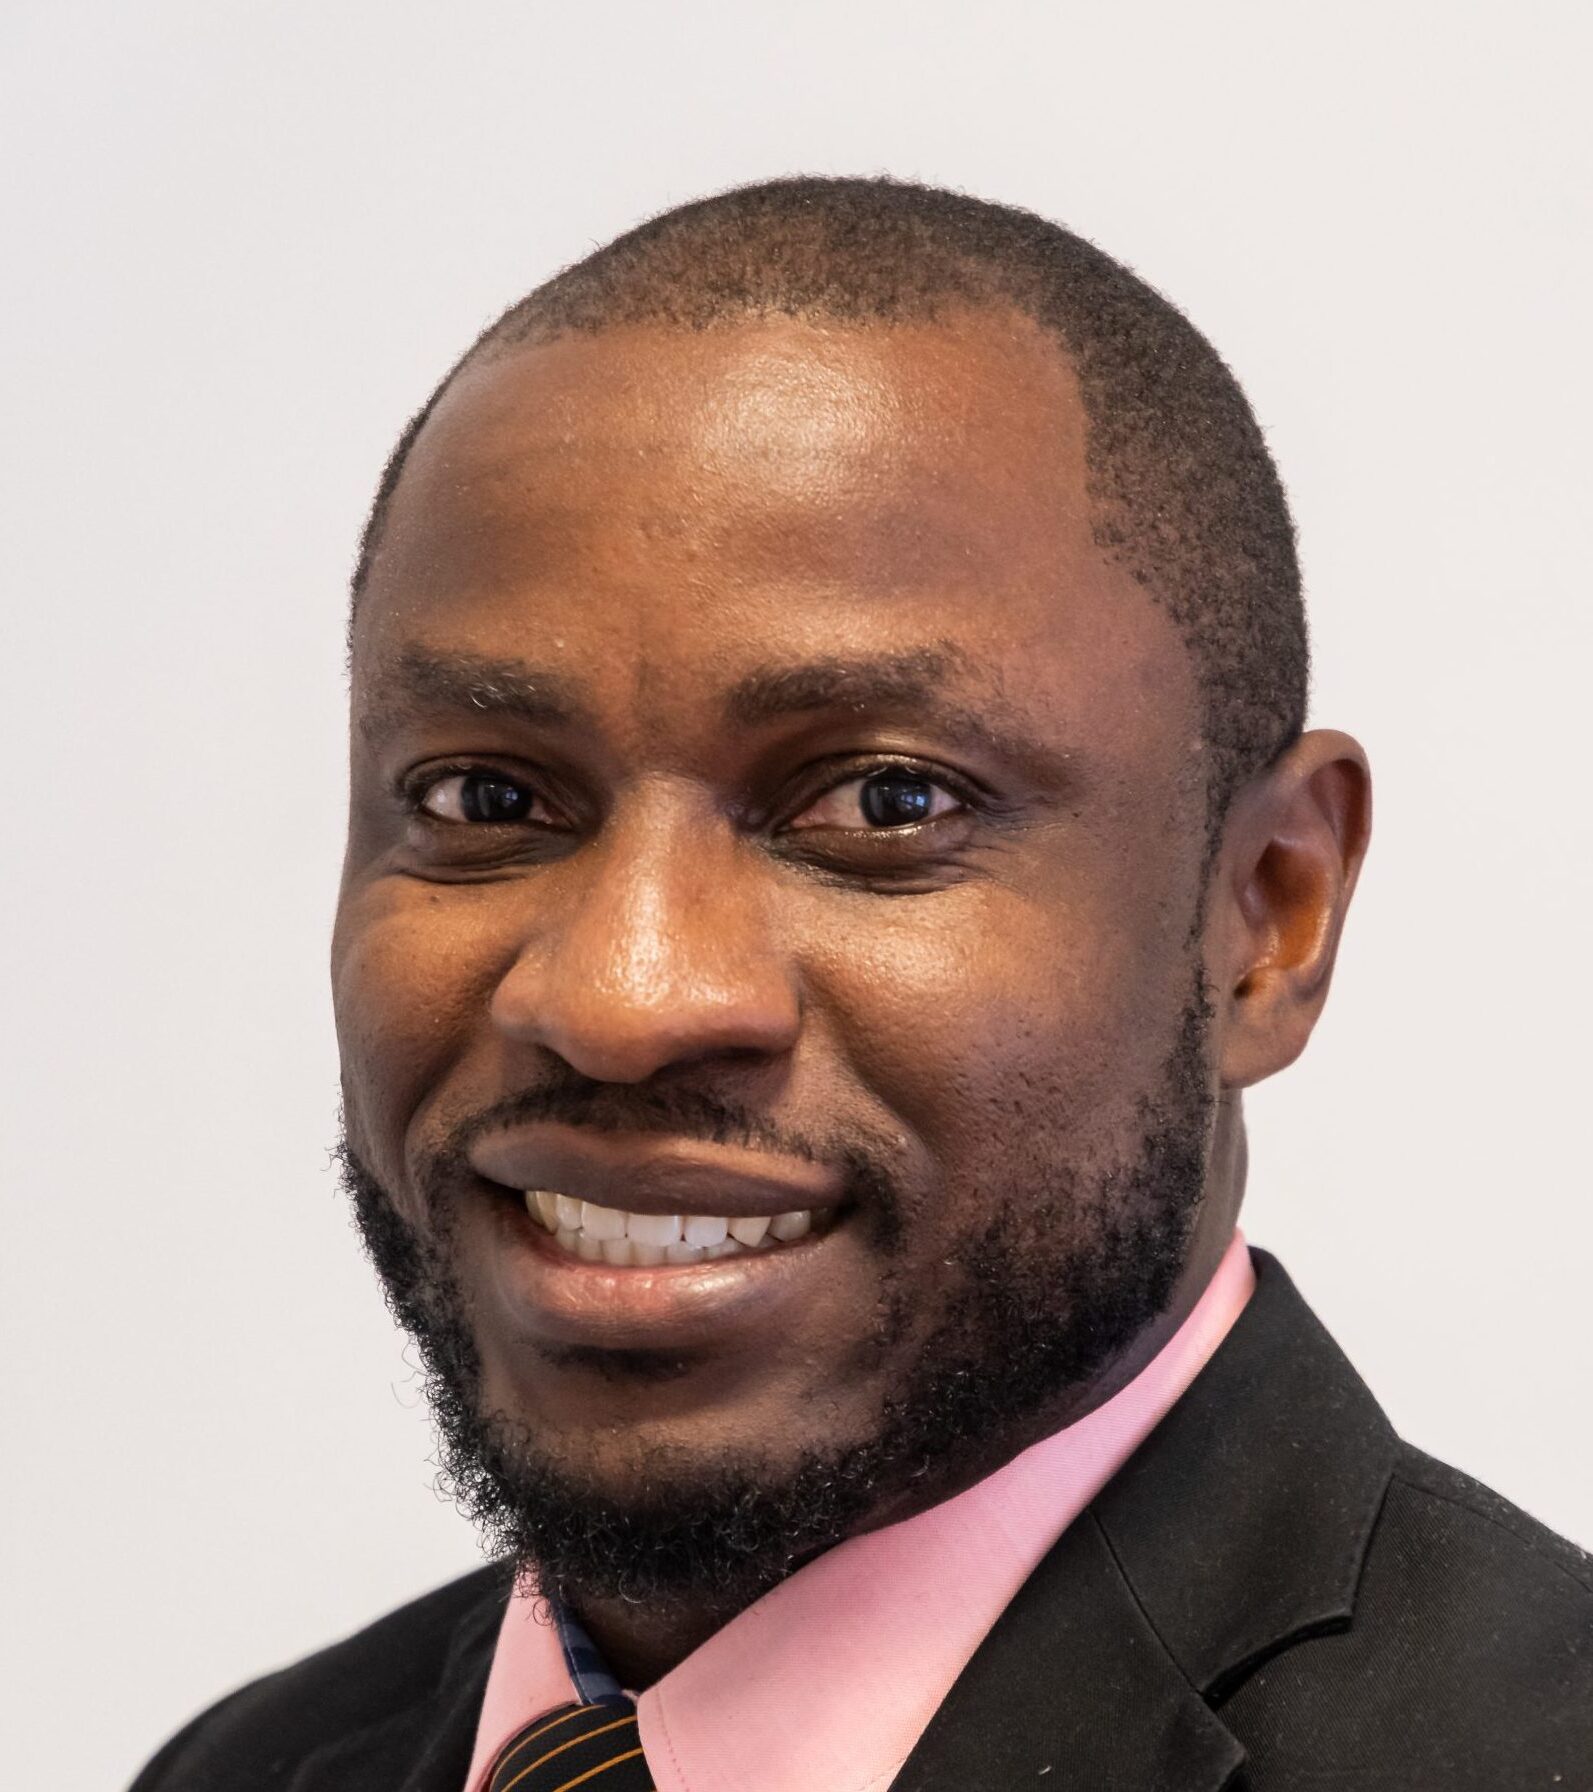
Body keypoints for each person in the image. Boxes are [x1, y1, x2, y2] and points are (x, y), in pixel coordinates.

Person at [131, 177, 1593, 1792]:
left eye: (886, 802)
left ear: (1267, 911)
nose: (620, 997)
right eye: (487, 798)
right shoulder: (248, 1767)